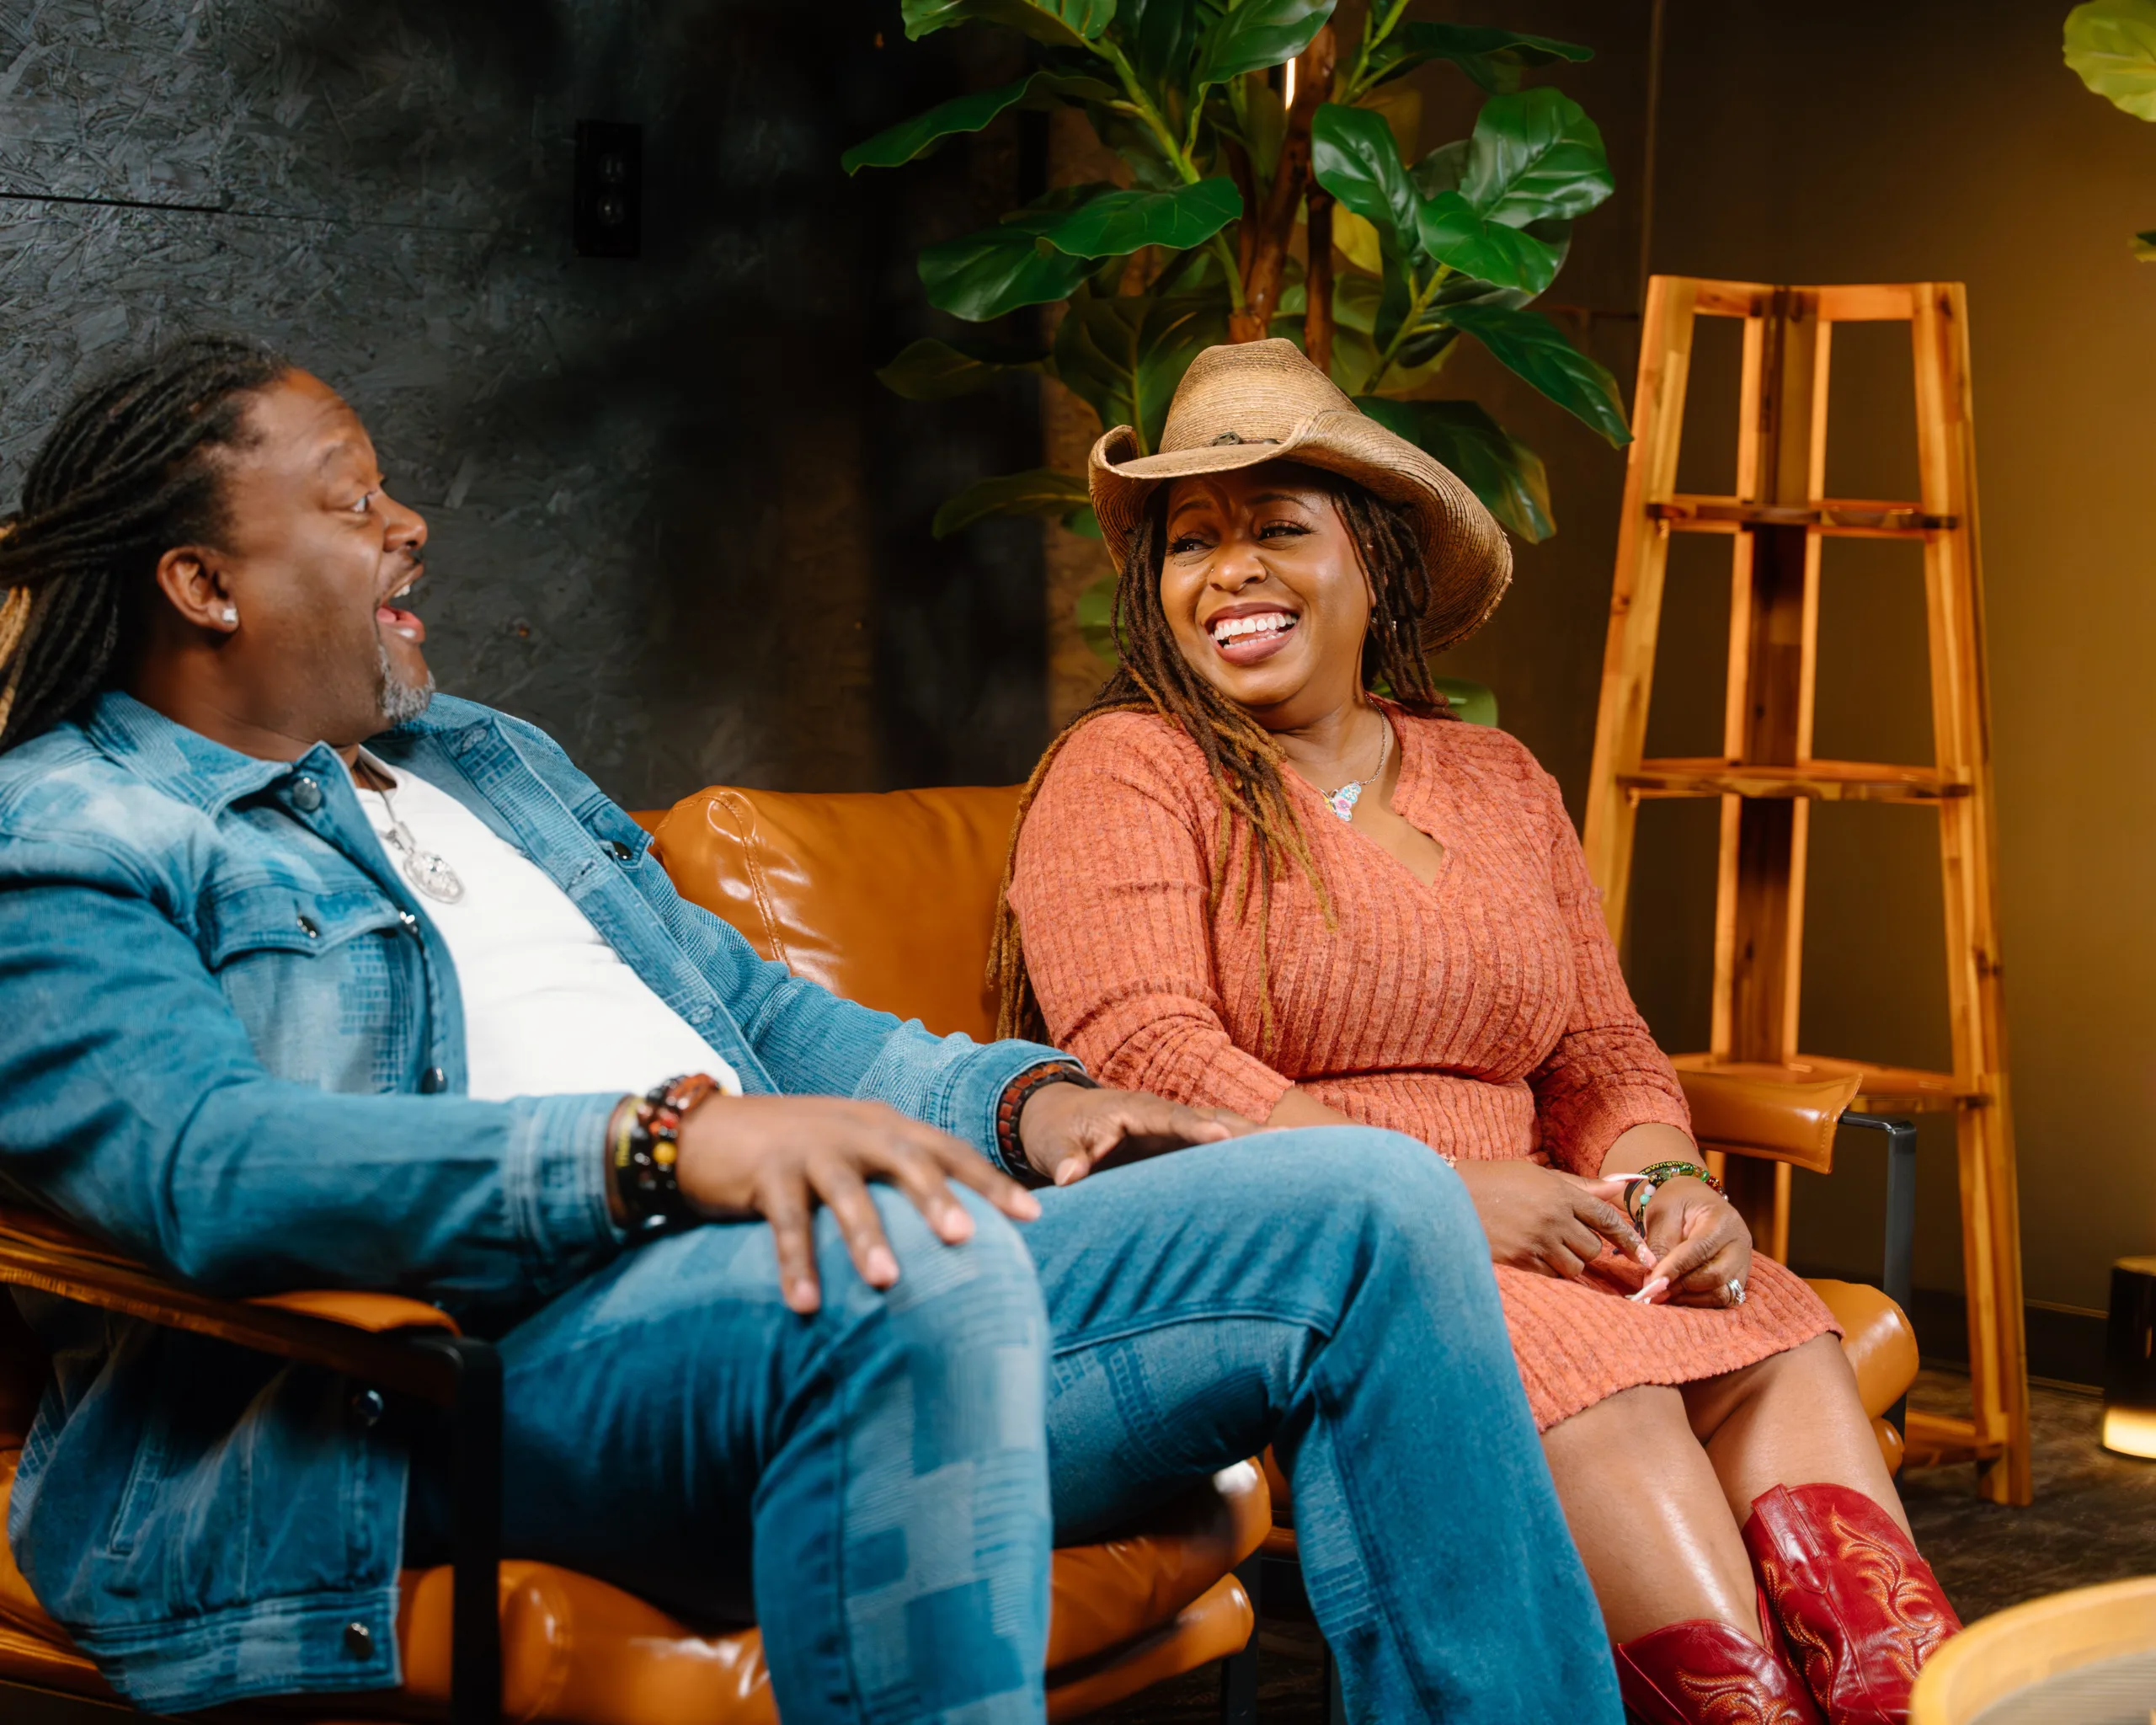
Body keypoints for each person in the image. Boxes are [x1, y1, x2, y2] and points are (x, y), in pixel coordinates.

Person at [0, 335, 1620, 1725]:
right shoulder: (74, 829)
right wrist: (662, 1146)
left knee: (1371, 1204)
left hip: (801, 1298)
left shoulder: (483, 762)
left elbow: (762, 1011)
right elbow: (207, 1161)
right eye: (355, 502)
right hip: (434, 1393)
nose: (411, 524)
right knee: (896, 1268)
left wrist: (1034, 1107)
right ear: (203, 584)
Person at [1001, 339, 1962, 1725]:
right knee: (1611, 1396)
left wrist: (1669, 1186)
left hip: (1568, 1225)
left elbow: (1601, 1047)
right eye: (1191, 542)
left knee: (1770, 1338)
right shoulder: (1130, 769)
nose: (1230, 572)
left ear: (1376, 563)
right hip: (1341, 1253)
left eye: (1279, 528)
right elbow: (1149, 1054)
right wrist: (1447, 1198)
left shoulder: (1500, 777)